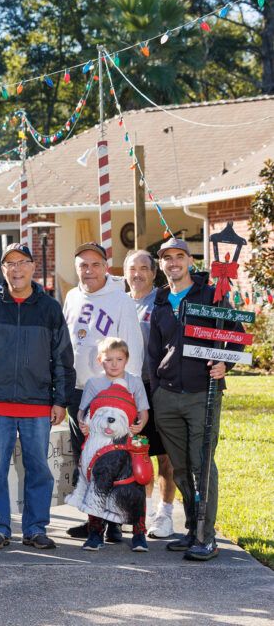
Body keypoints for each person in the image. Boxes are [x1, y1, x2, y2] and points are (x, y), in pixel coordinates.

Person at [0, 243, 75, 551]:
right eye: (10, 264)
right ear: (3, 270)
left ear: (32, 267)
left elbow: (63, 358)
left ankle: (35, 528)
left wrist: (60, 400)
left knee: (38, 468)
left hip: (37, 404)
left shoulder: (49, 308)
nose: (16, 269)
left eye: (22, 262)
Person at [148, 237, 244, 561]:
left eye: (179, 257)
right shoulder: (160, 302)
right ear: (161, 264)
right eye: (167, 258)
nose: (173, 263)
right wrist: (156, 392)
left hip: (202, 393)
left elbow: (237, 335)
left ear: (190, 260)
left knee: (202, 465)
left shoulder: (211, 295)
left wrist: (224, 363)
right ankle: (192, 527)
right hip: (167, 396)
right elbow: (152, 353)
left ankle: (206, 536)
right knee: (180, 467)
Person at [62, 242, 144, 542]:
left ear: (106, 267)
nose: (89, 270)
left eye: (95, 264)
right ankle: (92, 517)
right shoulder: (71, 297)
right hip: (79, 391)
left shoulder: (120, 300)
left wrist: (126, 392)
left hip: (110, 396)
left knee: (112, 457)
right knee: (85, 457)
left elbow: (133, 348)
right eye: (83, 264)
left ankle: (115, 521)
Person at [124, 248, 177, 539]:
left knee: (164, 456)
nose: (138, 274)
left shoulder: (162, 302)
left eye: (144, 268)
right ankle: (139, 513)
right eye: (132, 268)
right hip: (127, 391)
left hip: (156, 387)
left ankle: (165, 514)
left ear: (154, 273)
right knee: (136, 456)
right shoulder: (118, 303)